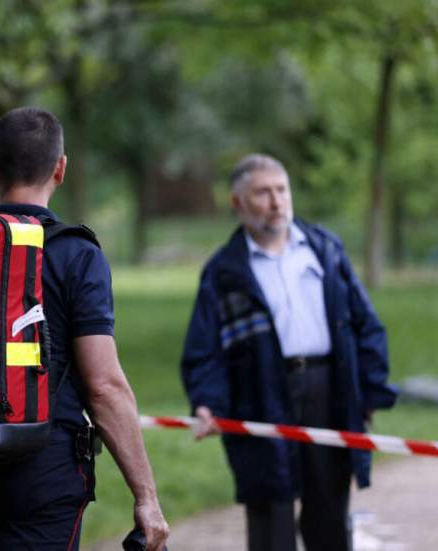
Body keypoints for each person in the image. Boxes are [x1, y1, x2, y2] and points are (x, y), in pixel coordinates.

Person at [0, 107, 169, 551]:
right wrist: (147, 498)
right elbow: (103, 385)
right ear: (60, 169)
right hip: (44, 472)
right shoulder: (75, 254)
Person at [180, 153, 398, 551]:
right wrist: (207, 402)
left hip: (327, 390)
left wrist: (368, 392)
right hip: (260, 393)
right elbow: (205, 349)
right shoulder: (224, 271)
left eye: (281, 189)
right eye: (263, 192)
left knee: (330, 512)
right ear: (238, 203)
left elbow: (366, 326)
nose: (277, 201)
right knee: (270, 512)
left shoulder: (326, 250)